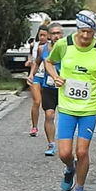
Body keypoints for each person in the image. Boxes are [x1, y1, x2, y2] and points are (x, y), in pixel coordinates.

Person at [45, 10, 96, 191]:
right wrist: (55, 76)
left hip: (89, 107)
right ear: (77, 29)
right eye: (83, 32)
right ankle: (70, 168)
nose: (85, 36)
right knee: (65, 153)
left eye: (90, 33)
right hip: (67, 106)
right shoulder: (63, 45)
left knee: (82, 152)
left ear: (95, 32)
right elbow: (49, 62)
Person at [34, 22, 64, 155]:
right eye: (53, 33)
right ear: (49, 36)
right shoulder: (43, 48)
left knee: (65, 117)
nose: (56, 36)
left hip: (64, 87)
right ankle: (51, 144)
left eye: (58, 33)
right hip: (49, 86)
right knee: (49, 114)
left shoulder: (68, 48)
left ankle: (65, 143)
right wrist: (31, 75)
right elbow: (37, 62)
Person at [27, 25, 49, 137]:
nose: (42, 37)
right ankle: (34, 127)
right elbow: (32, 59)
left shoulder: (51, 47)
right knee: (36, 101)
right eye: (40, 35)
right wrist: (31, 74)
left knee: (48, 106)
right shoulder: (34, 46)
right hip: (36, 76)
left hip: (48, 77)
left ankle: (49, 124)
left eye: (44, 35)